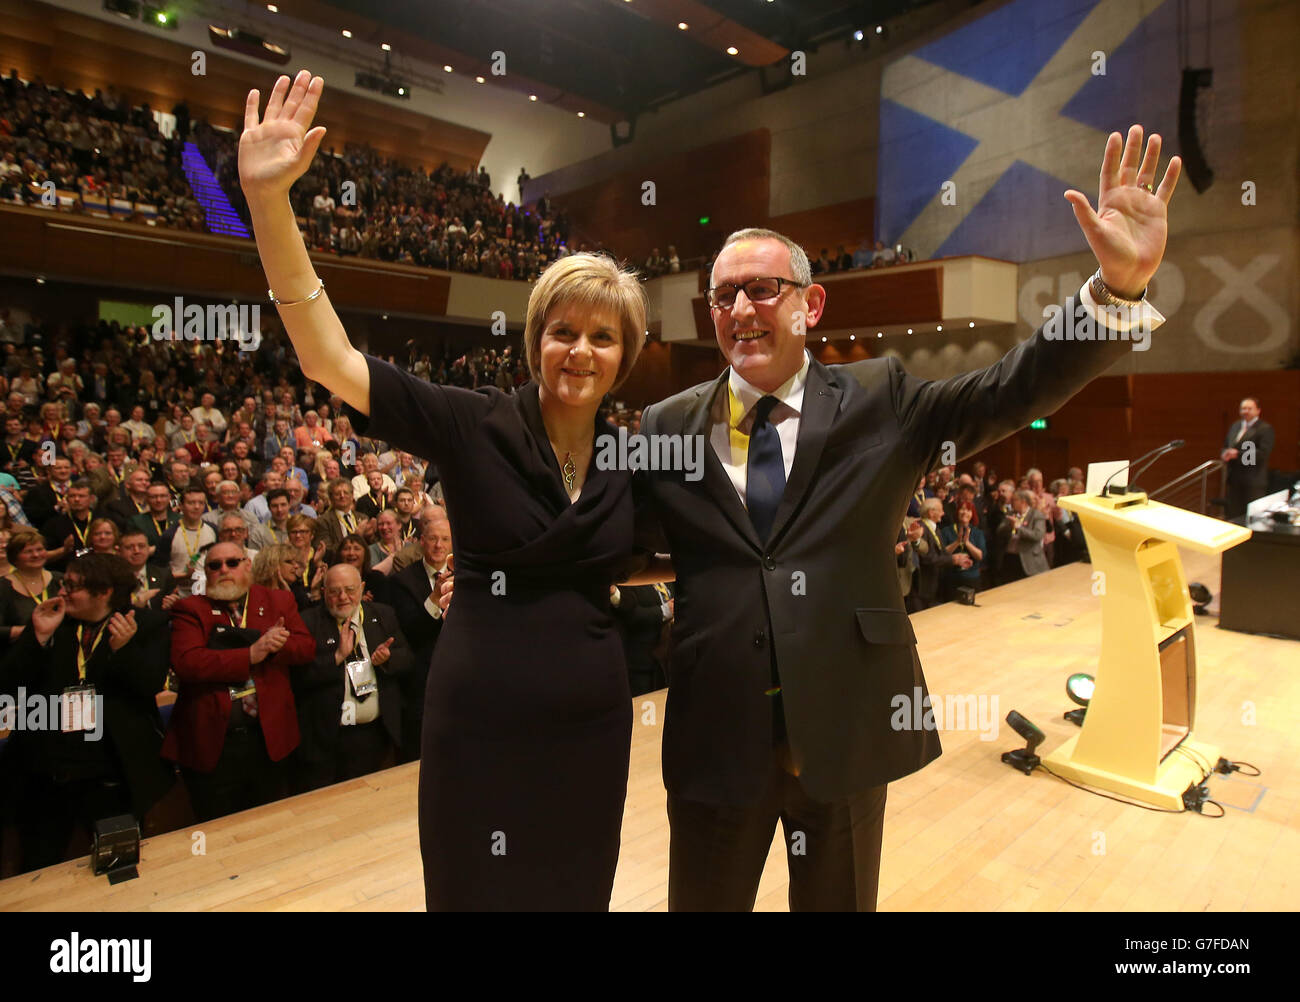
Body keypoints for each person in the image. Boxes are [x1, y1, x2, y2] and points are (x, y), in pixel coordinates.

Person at [633, 123, 1181, 911]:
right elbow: (628, 539)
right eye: (723, 295)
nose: (741, 308)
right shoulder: (666, 425)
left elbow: (1011, 388)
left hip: (847, 723)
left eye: (762, 288)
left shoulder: (883, 398)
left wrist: (1114, 293)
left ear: (810, 304)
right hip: (716, 738)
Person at [240, 69, 646, 910]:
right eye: (562, 331)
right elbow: (330, 360)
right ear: (534, 341)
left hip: (593, 726)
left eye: (601, 337)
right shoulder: (471, 423)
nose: (579, 350)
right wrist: (269, 202)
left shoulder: (634, 457)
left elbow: (675, 554)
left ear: (624, 356)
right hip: (482, 724)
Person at [0, 553, 174, 873]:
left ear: (104, 591)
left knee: (118, 865)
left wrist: (125, 650)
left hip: (110, 773)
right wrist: (37, 636)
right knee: (37, 864)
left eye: (72, 586)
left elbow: (148, 684)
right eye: (64, 583)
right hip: (48, 772)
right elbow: (9, 683)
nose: (62, 591)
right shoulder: (53, 621)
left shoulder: (145, 624)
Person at [162, 541, 315, 822]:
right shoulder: (191, 609)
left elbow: (306, 648)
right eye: (214, 565)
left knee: (271, 824)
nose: (224, 570)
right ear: (205, 572)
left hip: (268, 740)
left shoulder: (278, 601)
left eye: (232, 563)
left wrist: (277, 645)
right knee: (216, 828)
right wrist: (250, 654)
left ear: (247, 565)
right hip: (214, 744)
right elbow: (187, 663)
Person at [295, 563, 412, 793]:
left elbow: (407, 658)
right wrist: (337, 657)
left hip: (375, 734)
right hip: (327, 738)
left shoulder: (382, 614)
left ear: (362, 588)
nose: (343, 597)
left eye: (350, 589)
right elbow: (299, 677)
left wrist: (386, 659)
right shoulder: (307, 622)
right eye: (334, 591)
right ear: (323, 591)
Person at [1220, 396, 1274, 519]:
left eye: (1249, 408)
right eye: (1243, 408)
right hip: (1234, 479)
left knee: (1250, 518)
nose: (1246, 411)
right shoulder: (1235, 426)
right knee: (1232, 515)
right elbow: (1226, 445)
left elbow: (1262, 453)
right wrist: (1225, 453)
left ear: (1258, 410)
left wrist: (1237, 454)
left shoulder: (1265, 429)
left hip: (1253, 481)